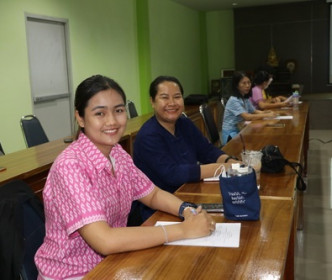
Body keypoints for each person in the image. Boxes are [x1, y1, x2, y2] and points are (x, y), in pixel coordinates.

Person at [34, 75, 215, 279]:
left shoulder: (117, 153)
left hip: (112, 263)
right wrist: (183, 230)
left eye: (118, 111)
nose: (112, 121)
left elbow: (152, 194)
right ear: (80, 118)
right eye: (100, 113)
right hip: (73, 274)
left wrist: (187, 210)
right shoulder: (70, 166)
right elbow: (105, 240)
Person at [132, 75, 239, 221]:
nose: (172, 103)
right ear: (152, 101)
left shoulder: (184, 123)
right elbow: (173, 174)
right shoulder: (148, 136)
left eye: (177, 97)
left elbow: (207, 150)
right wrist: (224, 168)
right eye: (164, 97)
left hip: (191, 193)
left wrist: (229, 160)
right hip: (159, 210)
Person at [222, 71, 276, 145]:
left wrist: (268, 112)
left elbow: (254, 111)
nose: (247, 85)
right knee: (257, 142)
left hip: (241, 130)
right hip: (231, 135)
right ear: (236, 85)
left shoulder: (245, 98)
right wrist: (267, 115)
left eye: (249, 82)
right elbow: (247, 117)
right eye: (244, 83)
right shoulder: (233, 100)